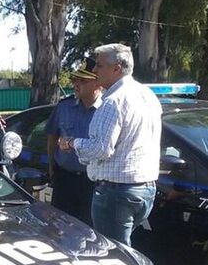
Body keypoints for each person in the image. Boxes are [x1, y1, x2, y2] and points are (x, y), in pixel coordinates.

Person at [58, 43, 161, 246]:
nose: (95, 70)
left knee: (114, 256)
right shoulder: (147, 95)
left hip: (116, 192)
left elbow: (101, 149)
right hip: (145, 190)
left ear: (117, 68)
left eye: (99, 65)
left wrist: (72, 142)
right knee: (123, 249)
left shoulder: (113, 101)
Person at [44, 58, 102, 225]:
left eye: (83, 81)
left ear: (97, 84)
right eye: (75, 79)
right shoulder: (64, 106)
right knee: (60, 228)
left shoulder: (107, 110)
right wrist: (51, 167)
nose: (76, 84)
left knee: (90, 231)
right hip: (65, 179)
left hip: (93, 183)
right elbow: (52, 136)